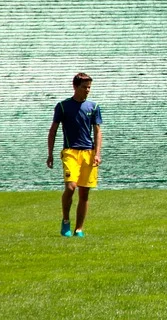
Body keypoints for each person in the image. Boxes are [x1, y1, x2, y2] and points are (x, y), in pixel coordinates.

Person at [47, 73, 103, 237]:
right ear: (75, 87)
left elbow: (98, 131)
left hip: (88, 153)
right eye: (84, 87)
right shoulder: (63, 106)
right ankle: (65, 221)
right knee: (71, 187)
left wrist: (97, 154)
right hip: (70, 151)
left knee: (84, 193)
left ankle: (79, 229)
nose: (87, 90)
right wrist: (50, 154)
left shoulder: (93, 106)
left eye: (89, 87)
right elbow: (53, 131)